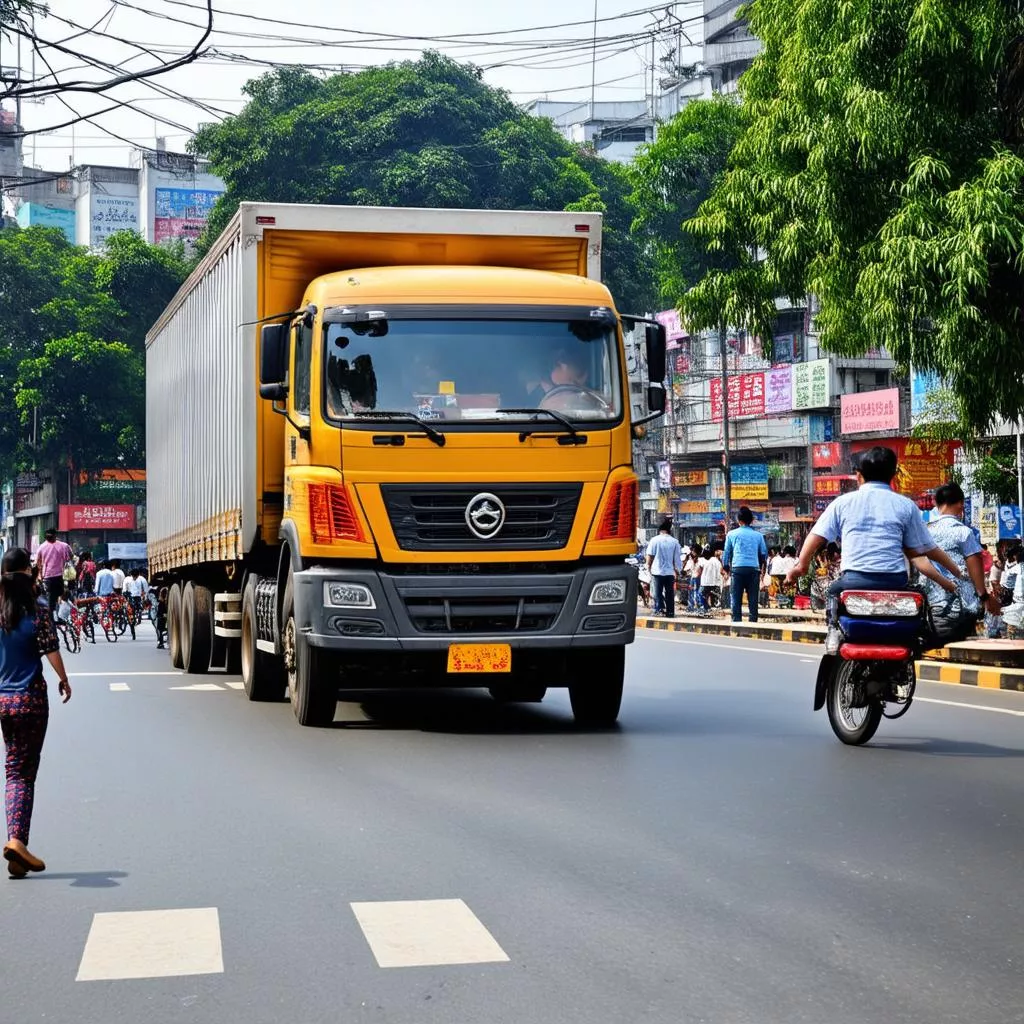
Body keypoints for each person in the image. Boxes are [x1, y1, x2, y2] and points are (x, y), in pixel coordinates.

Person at [787, 446, 964, 624]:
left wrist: (801, 567)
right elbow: (929, 549)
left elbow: (816, 536)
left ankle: (833, 632)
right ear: (893, 475)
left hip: (853, 580)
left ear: (859, 476)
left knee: (833, 591)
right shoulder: (906, 506)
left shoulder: (842, 503)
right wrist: (957, 574)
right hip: (894, 582)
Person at [0, 547, 72, 878]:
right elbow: (50, 648)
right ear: (29, 573)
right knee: (22, 773)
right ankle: (16, 841)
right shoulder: (38, 608)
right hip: (30, 700)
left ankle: (18, 858)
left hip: (2, 701)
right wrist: (64, 679)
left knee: (12, 768)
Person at [922, 482, 1000, 642]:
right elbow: (974, 568)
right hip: (959, 609)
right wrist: (985, 597)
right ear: (960, 504)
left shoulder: (924, 531)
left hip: (928, 608)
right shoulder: (963, 532)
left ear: (936, 504)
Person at [723, 507, 768, 622]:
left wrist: (725, 568)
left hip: (737, 569)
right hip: (754, 569)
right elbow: (763, 555)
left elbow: (727, 553)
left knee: (736, 598)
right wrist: (763, 570)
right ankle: (753, 621)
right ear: (751, 520)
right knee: (753, 599)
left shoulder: (731, 534)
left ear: (739, 520)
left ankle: (736, 621)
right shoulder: (758, 536)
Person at [645, 520, 683, 618]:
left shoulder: (654, 540)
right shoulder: (675, 542)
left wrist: (648, 567)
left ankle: (659, 610)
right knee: (669, 593)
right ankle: (670, 612)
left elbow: (650, 556)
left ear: (660, 530)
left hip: (657, 572)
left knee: (657, 593)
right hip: (669, 572)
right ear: (669, 531)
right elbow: (677, 559)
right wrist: (678, 571)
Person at [34, 529, 73, 615]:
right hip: (60, 576)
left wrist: (39, 576)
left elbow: (37, 563)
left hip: (47, 577)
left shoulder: (41, 547)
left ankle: (51, 615)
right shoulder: (64, 546)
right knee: (60, 596)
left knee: (49, 598)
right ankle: (57, 614)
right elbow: (71, 556)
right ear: (56, 535)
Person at [700, 546, 724, 612]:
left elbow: (700, 569)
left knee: (703, 597)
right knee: (715, 601)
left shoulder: (704, 561)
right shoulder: (718, 562)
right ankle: (713, 610)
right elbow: (721, 571)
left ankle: (706, 609)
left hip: (705, 583)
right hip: (716, 583)